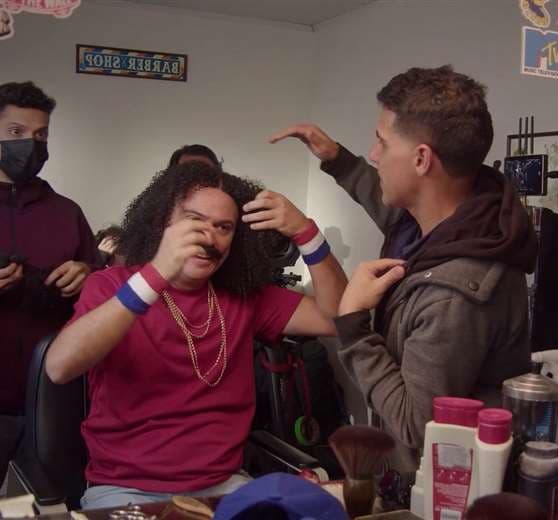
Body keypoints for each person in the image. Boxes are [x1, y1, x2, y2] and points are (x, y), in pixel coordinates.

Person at [271, 65, 537, 471]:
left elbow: (415, 427)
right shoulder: (453, 218)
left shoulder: (455, 295)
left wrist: (353, 325)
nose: (373, 154)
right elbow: (390, 206)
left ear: (421, 159)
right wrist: (338, 160)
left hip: (437, 486)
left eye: (382, 142)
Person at [45, 161, 347, 508]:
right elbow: (59, 367)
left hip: (224, 486)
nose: (208, 237)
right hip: (125, 490)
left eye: (223, 227)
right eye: (194, 221)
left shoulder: (245, 296)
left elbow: (339, 319)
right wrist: (157, 274)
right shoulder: (110, 285)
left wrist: (307, 234)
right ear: (163, 223)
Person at [0, 81, 99, 479]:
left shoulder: (67, 213)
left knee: (50, 499)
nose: (31, 144)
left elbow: (103, 293)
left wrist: (86, 274)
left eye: (40, 135)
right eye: (16, 132)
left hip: (52, 399)